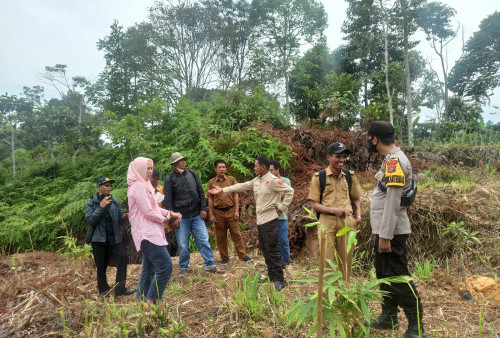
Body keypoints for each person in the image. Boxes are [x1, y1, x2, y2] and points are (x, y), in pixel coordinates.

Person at [366, 121, 426, 338]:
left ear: (375, 139)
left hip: (391, 232)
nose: (369, 142)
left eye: (370, 138)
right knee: (383, 275)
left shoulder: (395, 162)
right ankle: (388, 317)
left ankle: (415, 327)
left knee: (399, 277)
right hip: (385, 229)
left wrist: (385, 237)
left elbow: (392, 201)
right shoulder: (390, 160)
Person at [209, 156, 294, 291]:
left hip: (270, 220)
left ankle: (279, 279)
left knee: (272, 250)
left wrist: (282, 207)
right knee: (265, 249)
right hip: (260, 221)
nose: (254, 168)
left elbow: (290, 191)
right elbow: (241, 186)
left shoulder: (272, 180)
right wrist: (223, 190)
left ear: (263, 167)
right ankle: (271, 275)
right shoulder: (256, 180)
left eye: (255, 166)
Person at [127, 157, 182, 305]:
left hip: (149, 233)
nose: (150, 171)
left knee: (149, 269)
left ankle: (141, 301)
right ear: (139, 170)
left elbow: (155, 208)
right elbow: (148, 212)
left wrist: (169, 213)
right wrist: (165, 219)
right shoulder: (138, 187)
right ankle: (152, 302)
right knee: (165, 267)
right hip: (148, 233)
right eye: (147, 168)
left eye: (151, 168)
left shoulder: (144, 185)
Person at [307, 142, 362, 283]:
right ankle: (327, 299)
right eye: (338, 156)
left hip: (347, 222)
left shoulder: (350, 176)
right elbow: (314, 204)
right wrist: (333, 211)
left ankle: (344, 293)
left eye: (344, 157)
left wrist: (358, 217)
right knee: (327, 261)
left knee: (346, 260)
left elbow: (356, 198)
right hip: (327, 222)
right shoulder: (319, 178)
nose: (342, 160)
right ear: (328, 157)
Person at [164, 152, 219, 274]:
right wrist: (172, 219)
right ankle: (184, 267)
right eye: (180, 160)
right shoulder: (169, 179)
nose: (183, 162)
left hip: (196, 215)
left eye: (184, 160)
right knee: (183, 245)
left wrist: (203, 209)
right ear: (174, 164)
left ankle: (210, 265)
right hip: (181, 218)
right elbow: (168, 201)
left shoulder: (192, 174)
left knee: (204, 240)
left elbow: (200, 192)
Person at [85, 177, 135, 297]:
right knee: (101, 266)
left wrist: (124, 216)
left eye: (110, 185)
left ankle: (120, 289)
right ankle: (103, 291)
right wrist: (101, 207)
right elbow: (90, 220)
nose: (109, 187)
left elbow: (119, 217)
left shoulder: (115, 201)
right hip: (99, 240)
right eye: (106, 185)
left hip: (115, 238)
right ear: (99, 187)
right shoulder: (92, 203)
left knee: (122, 259)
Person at [207, 159, 252, 264]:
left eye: (223, 167)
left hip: (231, 210)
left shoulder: (231, 180)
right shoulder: (211, 182)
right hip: (218, 212)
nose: (222, 169)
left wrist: (237, 211)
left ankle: (242, 255)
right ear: (215, 169)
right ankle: (224, 257)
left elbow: (236, 195)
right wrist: (211, 214)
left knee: (236, 233)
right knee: (220, 235)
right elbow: (210, 198)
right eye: (220, 167)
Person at [269, 160, 292, 270]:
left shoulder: (285, 180)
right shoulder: (268, 181)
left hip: (281, 216)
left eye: (271, 170)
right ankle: (278, 263)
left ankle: (286, 262)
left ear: (277, 169)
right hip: (269, 216)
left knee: (283, 240)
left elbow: (282, 195)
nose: (270, 172)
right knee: (274, 241)